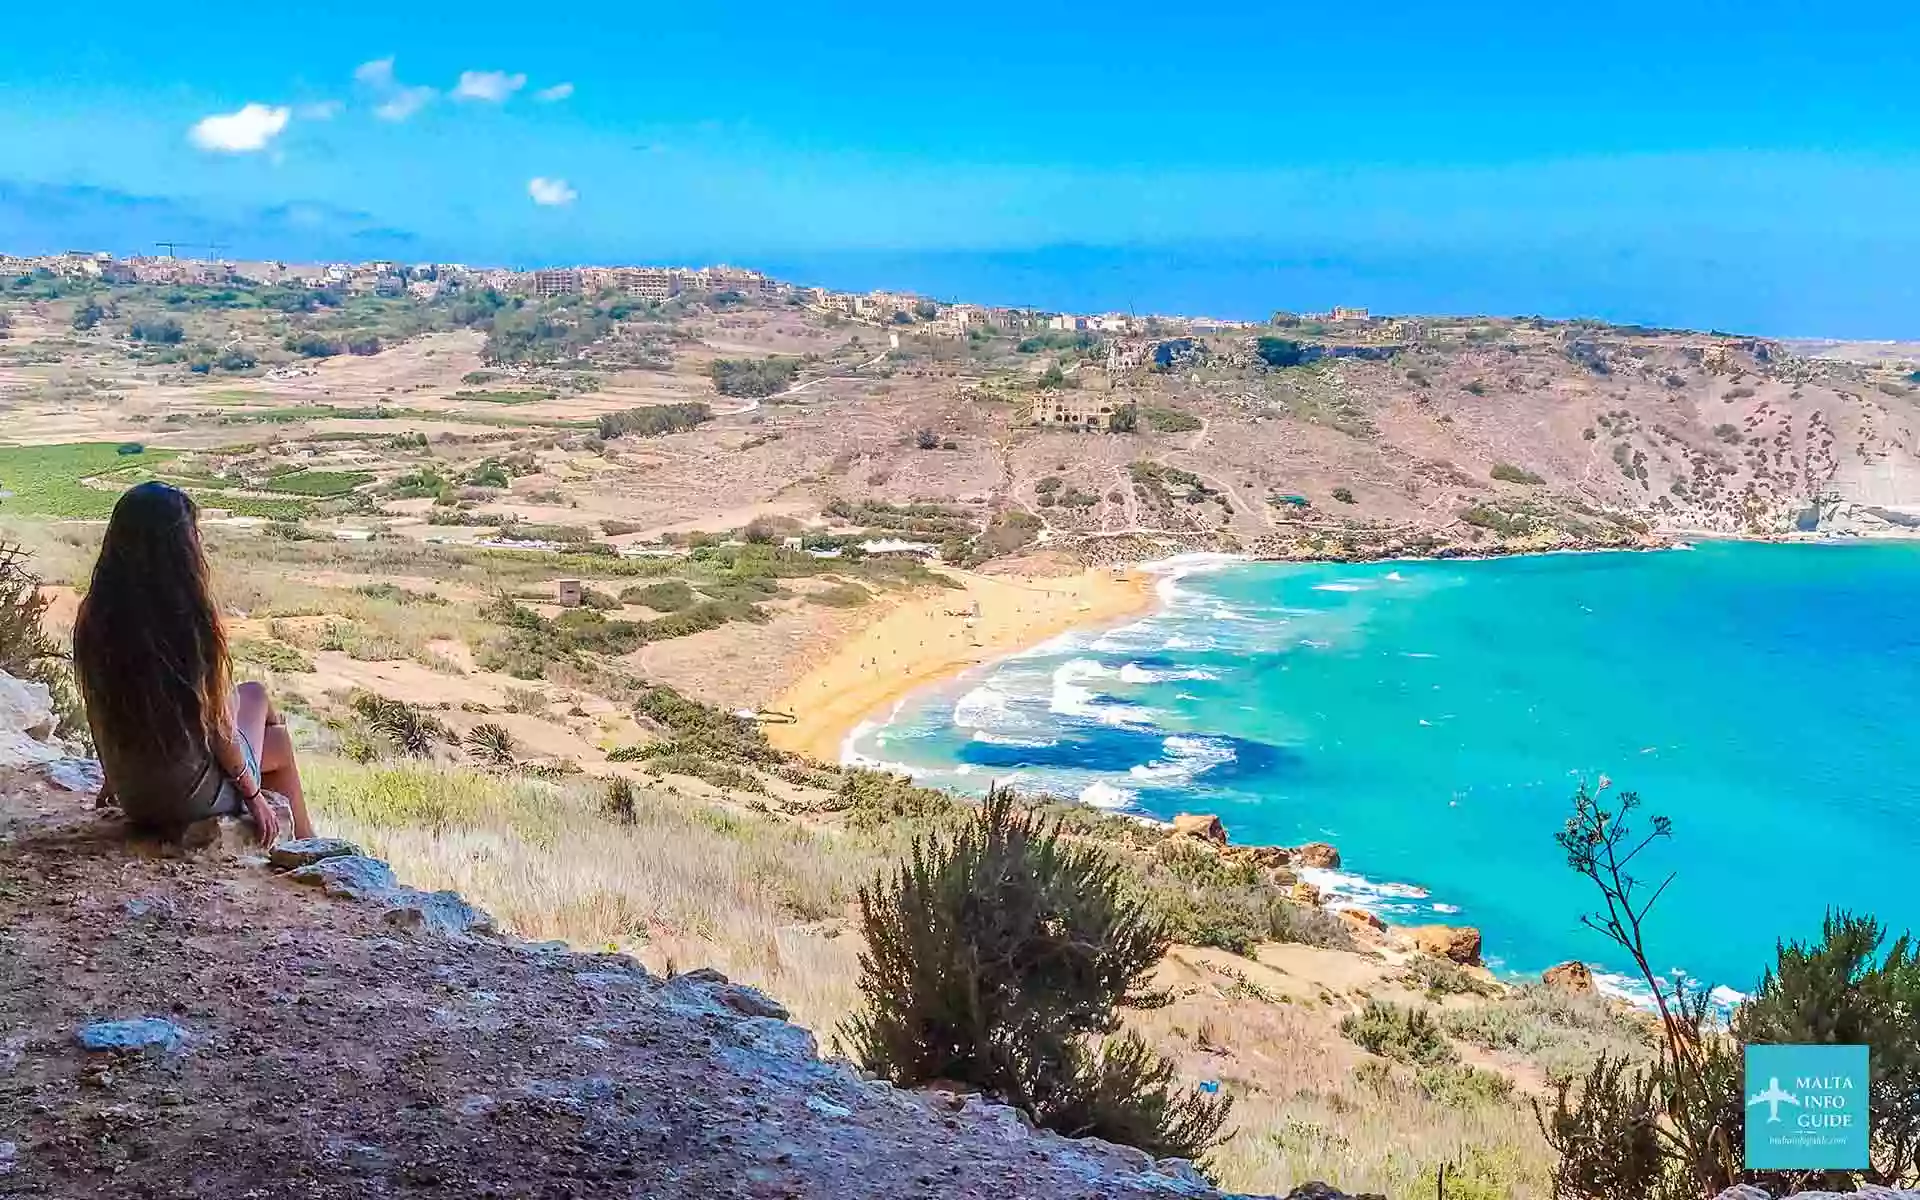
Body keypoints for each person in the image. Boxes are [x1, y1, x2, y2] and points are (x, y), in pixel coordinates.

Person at [72, 482, 312, 844]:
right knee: (260, 704)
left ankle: (301, 843)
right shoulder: (189, 623)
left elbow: (99, 708)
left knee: (268, 732)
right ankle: (308, 844)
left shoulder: (95, 619)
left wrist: (112, 777)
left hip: (134, 794)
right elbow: (219, 730)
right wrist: (253, 797)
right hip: (192, 799)